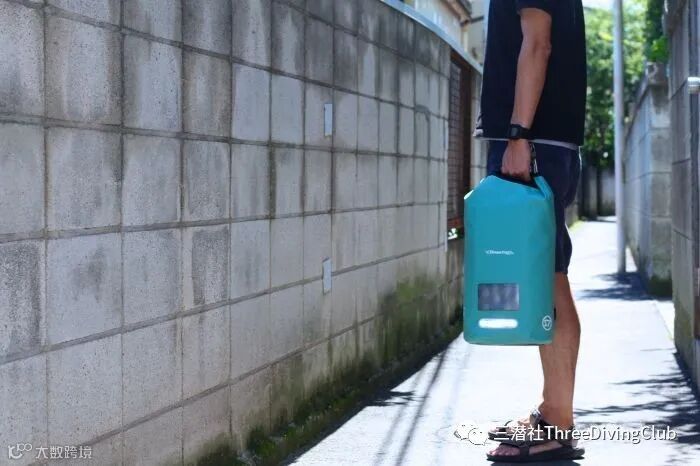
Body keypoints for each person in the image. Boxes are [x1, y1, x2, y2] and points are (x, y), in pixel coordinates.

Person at [474, 0, 587, 462]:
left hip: (535, 142)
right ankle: (554, 412)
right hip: (543, 142)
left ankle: (557, 421)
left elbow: (537, 44)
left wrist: (519, 136)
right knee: (549, 276)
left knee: (549, 278)